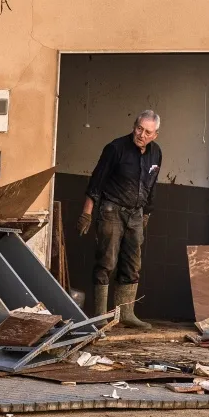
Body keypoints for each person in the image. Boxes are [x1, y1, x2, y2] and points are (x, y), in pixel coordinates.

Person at [78, 110, 162, 327]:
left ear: (155, 135)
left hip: (137, 213)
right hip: (111, 209)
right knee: (106, 261)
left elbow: (151, 186)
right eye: (139, 129)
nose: (142, 134)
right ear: (134, 126)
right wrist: (86, 213)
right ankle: (100, 316)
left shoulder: (156, 153)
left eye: (148, 132)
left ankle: (126, 314)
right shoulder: (115, 148)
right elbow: (96, 181)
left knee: (132, 264)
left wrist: (146, 215)